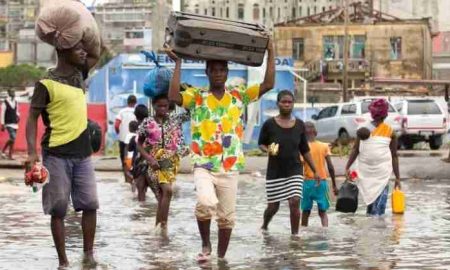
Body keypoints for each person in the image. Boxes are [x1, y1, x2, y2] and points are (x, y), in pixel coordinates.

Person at [166, 38, 275, 261]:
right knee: (206, 203)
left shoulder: (238, 96)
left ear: (226, 73)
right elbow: (173, 97)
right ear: (207, 72)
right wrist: (178, 64)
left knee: (227, 218)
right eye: (214, 70)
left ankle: (221, 258)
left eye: (222, 70)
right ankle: (206, 244)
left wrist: (271, 52)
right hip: (203, 164)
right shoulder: (197, 97)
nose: (218, 74)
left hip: (230, 165)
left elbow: (268, 85)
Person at [26, 42, 98, 267]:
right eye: (77, 49)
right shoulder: (45, 84)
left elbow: (97, 50)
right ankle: (63, 262)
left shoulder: (79, 74)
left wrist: (81, 29)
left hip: (83, 154)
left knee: (90, 204)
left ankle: (88, 257)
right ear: (62, 51)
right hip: (56, 154)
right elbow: (31, 119)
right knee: (58, 209)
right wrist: (31, 153)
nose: (83, 53)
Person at [258, 90, 320, 235]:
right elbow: (261, 143)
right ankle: (265, 225)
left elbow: (304, 149)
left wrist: (315, 170)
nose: (286, 104)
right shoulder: (269, 124)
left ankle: (295, 236)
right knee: (273, 207)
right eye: (283, 102)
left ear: (293, 104)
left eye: (289, 102)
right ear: (278, 103)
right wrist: (268, 150)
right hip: (275, 172)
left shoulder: (299, 125)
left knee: (294, 201)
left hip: (295, 170)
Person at [137, 94, 190, 230]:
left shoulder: (175, 119)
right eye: (159, 105)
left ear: (169, 106)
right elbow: (138, 143)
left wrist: (182, 93)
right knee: (167, 191)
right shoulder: (147, 123)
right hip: (154, 163)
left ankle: (159, 228)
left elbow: (191, 111)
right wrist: (148, 158)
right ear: (153, 105)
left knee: (162, 195)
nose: (162, 108)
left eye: (165, 106)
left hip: (170, 163)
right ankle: (163, 227)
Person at [345, 99, 401, 216]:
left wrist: (348, 166)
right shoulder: (390, 131)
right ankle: (376, 230)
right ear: (385, 114)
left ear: (372, 112)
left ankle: (371, 230)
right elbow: (394, 156)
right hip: (380, 174)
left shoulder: (364, 130)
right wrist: (397, 178)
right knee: (378, 210)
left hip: (373, 173)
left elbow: (356, 149)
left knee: (372, 207)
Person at [301, 121, 337, 227]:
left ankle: (302, 234)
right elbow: (330, 167)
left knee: (305, 212)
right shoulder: (324, 146)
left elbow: (298, 167)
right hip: (321, 183)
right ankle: (325, 232)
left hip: (307, 183)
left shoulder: (302, 149)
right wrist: (334, 184)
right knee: (323, 212)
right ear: (315, 132)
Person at [115, 94, 137, 181]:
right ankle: (134, 177)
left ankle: (126, 178)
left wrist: (119, 133)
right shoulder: (136, 111)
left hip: (123, 139)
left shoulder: (122, 112)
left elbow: (116, 125)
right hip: (134, 139)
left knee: (124, 158)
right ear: (135, 102)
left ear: (127, 102)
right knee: (134, 157)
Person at [1, 89, 20, 160]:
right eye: (12, 92)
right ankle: (4, 152)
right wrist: (2, 124)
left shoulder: (15, 101)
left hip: (15, 123)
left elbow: (17, 111)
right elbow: (2, 114)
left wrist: (18, 116)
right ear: (9, 93)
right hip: (8, 123)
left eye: (14, 92)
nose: (14, 93)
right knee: (13, 137)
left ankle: (8, 154)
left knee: (12, 139)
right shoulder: (5, 102)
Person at [123, 120, 139, 186]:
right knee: (135, 171)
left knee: (127, 171)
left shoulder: (128, 136)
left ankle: (131, 181)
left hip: (129, 157)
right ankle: (135, 180)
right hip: (136, 157)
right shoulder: (138, 135)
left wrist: (125, 157)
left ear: (130, 128)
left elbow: (126, 147)